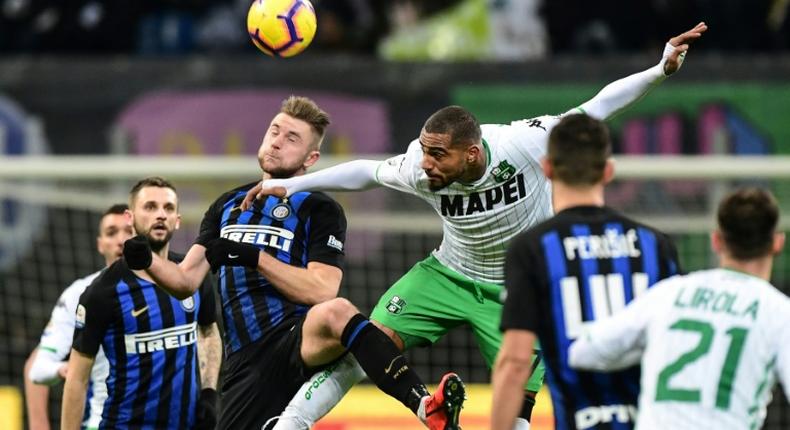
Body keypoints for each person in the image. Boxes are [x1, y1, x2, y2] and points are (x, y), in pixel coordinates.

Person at [241, 22, 708, 430]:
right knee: (369, 342)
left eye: (437, 153)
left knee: (518, 411)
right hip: (447, 274)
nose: (426, 164)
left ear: (473, 152)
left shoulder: (524, 144)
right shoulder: (421, 169)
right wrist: (294, 187)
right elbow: (365, 171)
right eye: (424, 151)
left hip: (516, 289)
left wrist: (660, 68)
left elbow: (598, 107)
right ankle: (291, 423)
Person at [122, 96, 463, 430]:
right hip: (245, 362)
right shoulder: (227, 205)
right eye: (274, 131)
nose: (277, 142)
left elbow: (322, 289)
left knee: (338, 310)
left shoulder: (319, 208)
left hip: (296, 339)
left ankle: (423, 405)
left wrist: (254, 257)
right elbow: (184, 281)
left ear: (310, 158)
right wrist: (148, 260)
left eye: (291, 138)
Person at [490, 114, 680, 430]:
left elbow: (515, 362)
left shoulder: (533, 248)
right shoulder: (655, 245)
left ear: (547, 168)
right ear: (608, 171)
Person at [568, 187, 788, 429]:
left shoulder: (670, 293)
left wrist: (645, 348)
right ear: (777, 243)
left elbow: (582, 352)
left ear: (717, 240)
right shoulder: (778, 312)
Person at [61, 177, 222, 429]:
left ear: (177, 220)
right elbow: (77, 378)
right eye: (150, 207)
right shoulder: (103, 292)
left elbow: (208, 331)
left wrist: (209, 392)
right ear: (129, 217)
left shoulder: (193, 275)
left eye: (168, 208)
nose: (160, 215)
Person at [24, 204, 132, 430]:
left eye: (129, 231)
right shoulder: (79, 294)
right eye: (112, 232)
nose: (121, 240)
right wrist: (64, 370)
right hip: (102, 424)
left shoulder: (173, 286)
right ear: (100, 244)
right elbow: (37, 367)